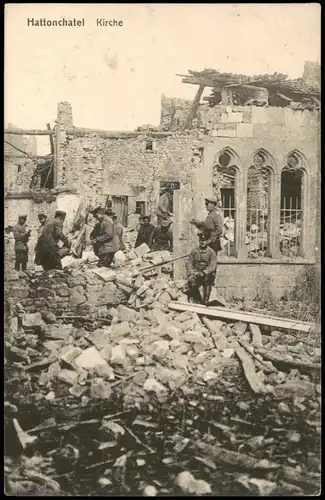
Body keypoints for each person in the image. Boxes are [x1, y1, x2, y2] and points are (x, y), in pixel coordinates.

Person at [186, 232, 217, 305]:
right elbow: (189, 262)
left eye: (204, 240)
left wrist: (204, 272)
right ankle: (198, 299)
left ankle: (206, 300)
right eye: (201, 240)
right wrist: (190, 273)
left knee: (208, 279)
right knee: (191, 280)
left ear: (207, 241)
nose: (202, 242)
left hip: (206, 273)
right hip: (197, 272)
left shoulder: (211, 252)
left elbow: (212, 265)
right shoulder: (194, 251)